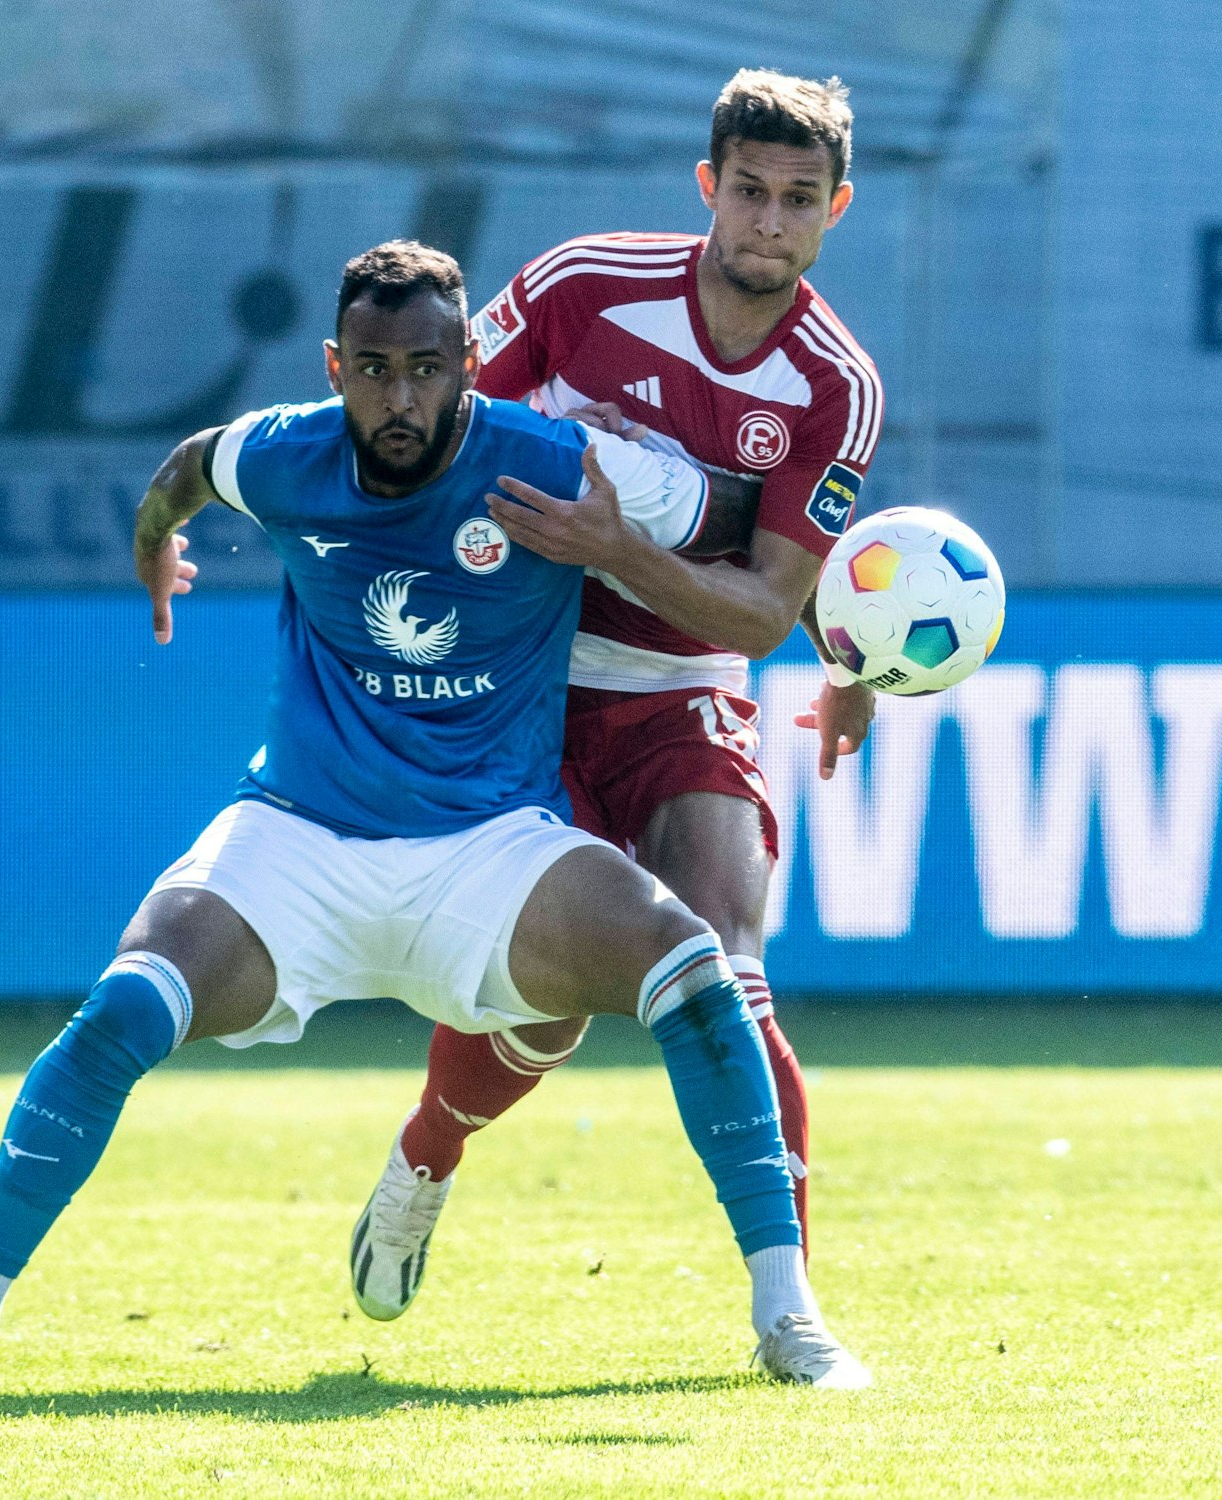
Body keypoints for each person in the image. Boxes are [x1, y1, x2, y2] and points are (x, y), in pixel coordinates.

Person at [0, 240, 870, 1396]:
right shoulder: (286, 452)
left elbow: (758, 524)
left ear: (469, 364)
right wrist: (154, 545)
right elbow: (189, 467)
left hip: (489, 853)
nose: (400, 399)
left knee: (693, 972)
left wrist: (845, 640)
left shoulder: (558, 463)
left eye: (426, 369)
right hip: (296, 839)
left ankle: (786, 1317)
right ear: (334, 365)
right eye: (373, 368)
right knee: (122, 1009)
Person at [351, 69, 885, 1316]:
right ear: (707, 187)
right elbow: (433, 420)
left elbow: (756, 612)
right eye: (746, 192)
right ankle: (427, 1152)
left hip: (677, 682)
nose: (767, 221)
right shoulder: (586, 285)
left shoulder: (829, 386)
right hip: (520, 682)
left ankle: (787, 1305)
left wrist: (818, 637)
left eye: (796, 200)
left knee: (726, 963)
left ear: (833, 210)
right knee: (540, 1013)